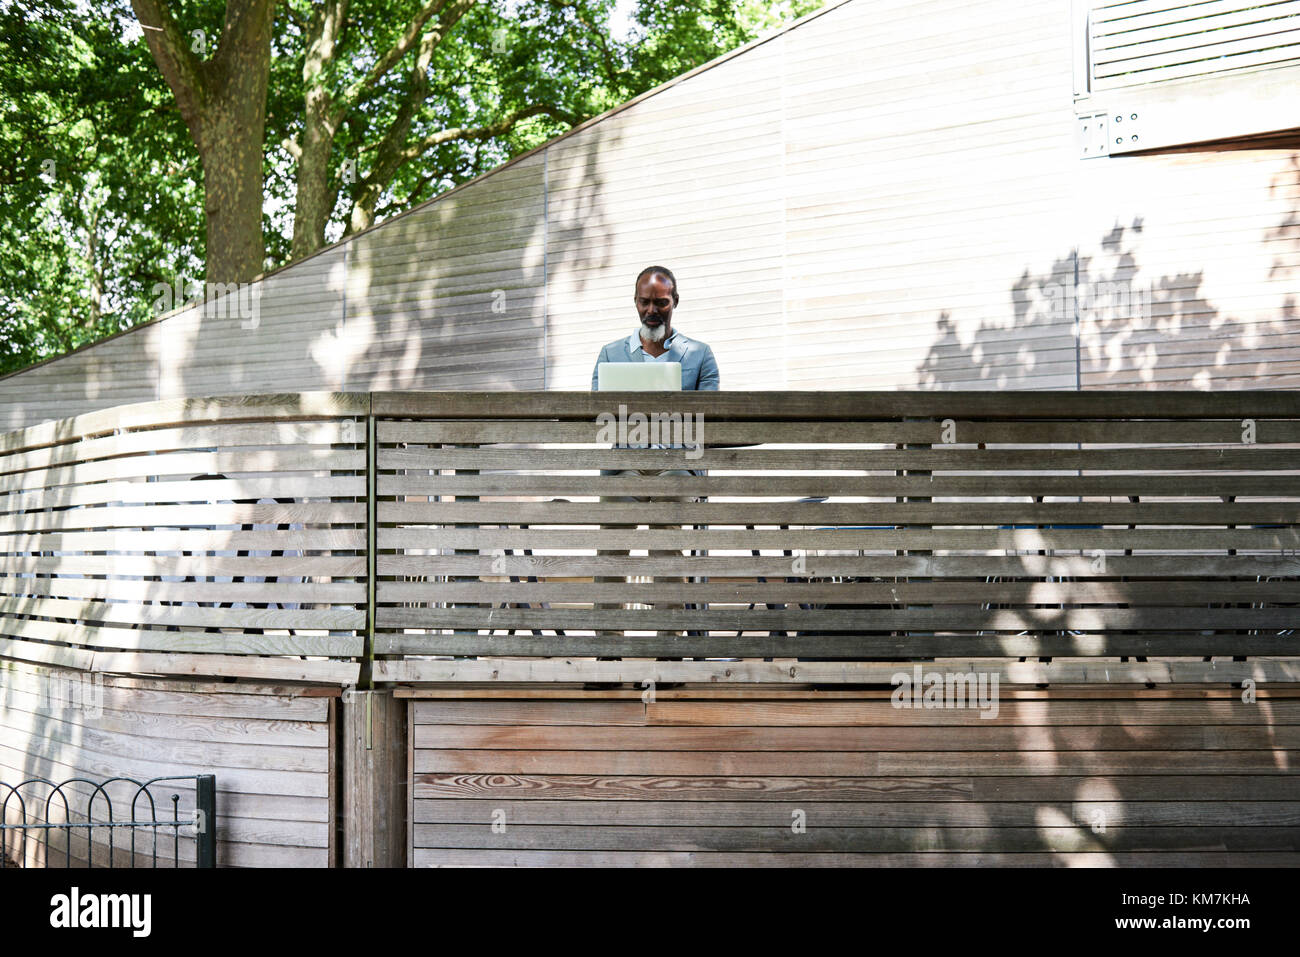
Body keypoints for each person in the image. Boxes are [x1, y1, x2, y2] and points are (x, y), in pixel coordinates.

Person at [589, 266, 719, 684]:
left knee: (668, 558)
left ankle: (668, 657)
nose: (652, 310)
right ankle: (608, 657)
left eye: (660, 302)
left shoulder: (699, 355)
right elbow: (596, 417)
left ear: (674, 301)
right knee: (611, 557)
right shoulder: (611, 353)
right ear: (635, 302)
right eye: (645, 302)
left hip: (675, 465)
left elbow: (711, 420)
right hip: (624, 463)